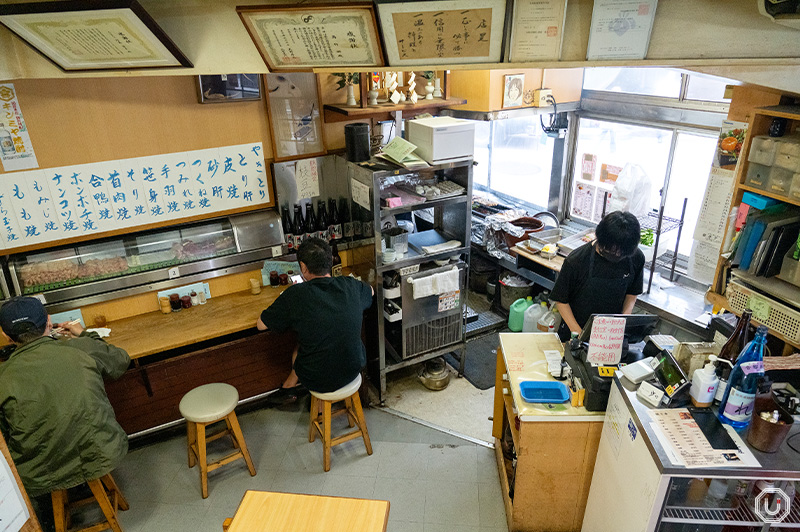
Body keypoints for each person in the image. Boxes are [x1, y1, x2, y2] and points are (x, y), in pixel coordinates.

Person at [0, 297, 130, 527]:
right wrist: (85, 334)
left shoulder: (3, 376)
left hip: (41, 473)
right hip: (101, 452)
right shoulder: (81, 348)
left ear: (6, 336)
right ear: (49, 322)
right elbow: (120, 361)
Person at [257, 237, 374, 404]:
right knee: (319, 339)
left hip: (318, 379)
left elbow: (261, 325)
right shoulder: (350, 285)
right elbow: (370, 291)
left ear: (303, 267)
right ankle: (289, 387)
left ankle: (313, 402)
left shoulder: (295, 295)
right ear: (330, 262)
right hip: (353, 368)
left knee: (302, 345)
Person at [550, 211, 645, 341]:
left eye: (621, 253)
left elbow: (632, 293)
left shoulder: (635, 257)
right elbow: (561, 300)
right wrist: (578, 333)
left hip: (611, 336)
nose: (616, 255)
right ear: (600, 239)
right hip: (576, 329)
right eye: (611, 251)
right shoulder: (577, 260)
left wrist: (623, 320)